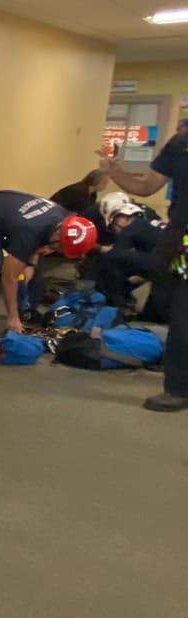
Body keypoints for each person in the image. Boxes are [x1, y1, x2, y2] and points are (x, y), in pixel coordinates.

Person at [99, 125, 188, 412]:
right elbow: (146, 187)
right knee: (182, 310)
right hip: (183, 238)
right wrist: (115, 172)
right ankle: (178, 388)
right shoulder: (180, 144)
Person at [0, 191, 98, 332]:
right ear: (58, 235)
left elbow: (41, 240)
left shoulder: (62, 218)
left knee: (36, 266)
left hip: (12, 221)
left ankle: (28, 310)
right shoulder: (30, 231)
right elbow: (9, 278)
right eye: (61, 247)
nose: (60, 251)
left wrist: (30, 264)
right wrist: (12, 317)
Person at [90, 194, 167, 313]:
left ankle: (114, 303)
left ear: (123, 218)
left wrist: (99, 248)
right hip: (179, 263)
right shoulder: (149, 222)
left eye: (113, 225)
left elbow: (116, 254)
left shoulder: (131, 228)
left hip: (168, 264)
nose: (115, 230)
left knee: (110, 259)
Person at [51, 169, 107, 247]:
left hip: (67, 216)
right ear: (98, 182)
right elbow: (77, 213)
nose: (106, 186)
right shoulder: (79, 190)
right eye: (105, 183)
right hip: (56, 217)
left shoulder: (92, 194)